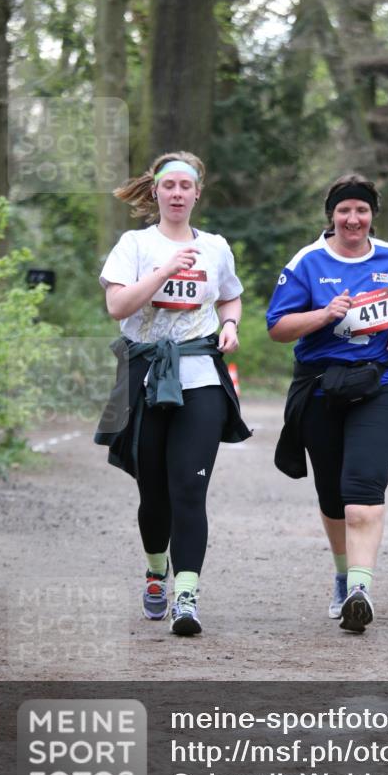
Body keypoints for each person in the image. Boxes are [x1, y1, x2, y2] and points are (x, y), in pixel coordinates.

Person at [266, 173, 388, 634]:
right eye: (344, 210)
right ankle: (342, 575)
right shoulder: (307, 262)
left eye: (361, 210)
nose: (353, 218)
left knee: (362, 492)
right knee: (333, 498)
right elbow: (277, 328)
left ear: (372, 216)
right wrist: (324, 314)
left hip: (381, 382)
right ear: (332, 216)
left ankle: (360, 589)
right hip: (321, 386)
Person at [94, 151, 251, 636]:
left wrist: (229, 324)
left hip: (200, 374)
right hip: (145, 377)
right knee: (154, 493)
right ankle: (155, 570)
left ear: (197, 193)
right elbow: (117, 304)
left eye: (187, 185)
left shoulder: (216, 247)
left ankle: (186, 596)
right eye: (170, 186)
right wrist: (163, 270)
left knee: (189, 489)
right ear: (157, 192)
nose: (178, 193)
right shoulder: (134, 245)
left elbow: (230, 294)